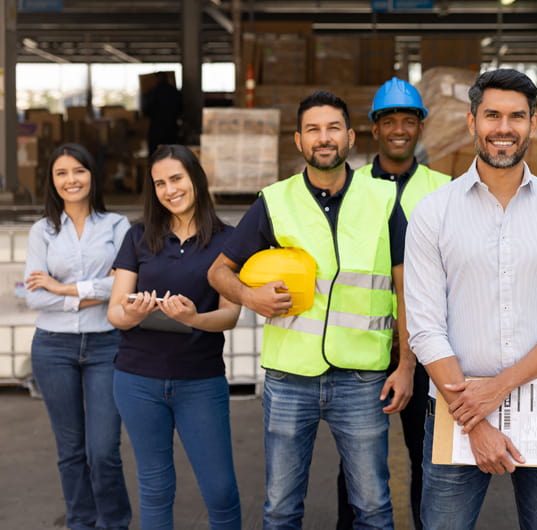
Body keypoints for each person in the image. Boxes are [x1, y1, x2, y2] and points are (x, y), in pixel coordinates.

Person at [207, 90, 413, 529]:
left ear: (352, 137)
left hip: (362, 378)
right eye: (314, 129)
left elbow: (408, 288)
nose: (324, 138)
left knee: (374, 507)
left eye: (333, 128)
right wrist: (249, 296)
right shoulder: (274, 201)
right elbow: (219, 272)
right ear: (298, 141)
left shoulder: (383, 199)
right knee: (280, 508)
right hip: (289, 379)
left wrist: (407, 365)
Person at [405, 68, 537, 529]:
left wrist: (498, 387)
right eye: (492, 115)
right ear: (472, 122)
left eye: (516, 116)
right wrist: (476, 419)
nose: (504, 128)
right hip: (457, 408)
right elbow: (425, 328)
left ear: (533, 125)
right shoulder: (434, 213)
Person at [107, 144, 241, 529]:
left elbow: (230, 315)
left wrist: (195, 318)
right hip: (136, 379)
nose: (170, 190)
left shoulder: (227, 241)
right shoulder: (138, 237)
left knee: (221, 491)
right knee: (155, 488)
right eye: (160, 183)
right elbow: (115, 311)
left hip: (200, 379)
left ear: (195, 178)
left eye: (177, 179)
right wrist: (131, 314)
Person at [336, 77, 450, 530]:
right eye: (389, 121)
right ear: (374, 130)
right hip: (364, 346)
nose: (399, 128)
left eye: (408, 120)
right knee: (356, 461)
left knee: (429, 458)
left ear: (420, 128)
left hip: (429, 350)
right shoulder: (351, 186)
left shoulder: (446, 190)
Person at [24, 143, 132, 530]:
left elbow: (126, 283)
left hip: (107, 345)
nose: (71, 180)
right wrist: (89, 296)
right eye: (61, 173)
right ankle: (80, 522)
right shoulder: (43, 231)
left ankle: (114, 523)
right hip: (53, 348)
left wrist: (64, 289)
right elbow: (32, 293)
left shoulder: (118, 226)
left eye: (79, 171)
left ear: (92, 175)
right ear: (52, 182)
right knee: (70, 450)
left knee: (103, 450)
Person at [141, 71, 182, 156]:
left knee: (155, 154)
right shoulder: (175, 92)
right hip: (171, 130)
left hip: (157, 129)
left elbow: (146, 111)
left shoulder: (152, 92)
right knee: (171, 154)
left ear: (157, 79)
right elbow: (181, 110)